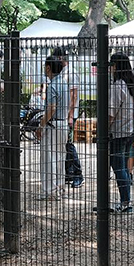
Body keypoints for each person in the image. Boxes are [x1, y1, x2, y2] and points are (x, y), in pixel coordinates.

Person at [108, 53, 134, 213]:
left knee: (118, 167)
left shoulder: (117, 86)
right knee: (124, 167)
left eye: (111, 65)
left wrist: (102, 130)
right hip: (132, 130)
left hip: (119, 132)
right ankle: (126, 201)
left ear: (116, 66)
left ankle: (126, 203)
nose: (109, 69)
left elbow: (111, 114)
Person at [35, 56, 68, 201]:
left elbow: (51, 109)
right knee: (60, 157)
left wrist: (41, 126)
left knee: (49, 158)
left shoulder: (52, 86)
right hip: (63, 124)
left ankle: (49, 191)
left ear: (48, 68)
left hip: (53, 125)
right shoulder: (64, 84)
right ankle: (60, 188)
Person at [51, 47, 84, 188]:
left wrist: (70, 116)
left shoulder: (71, 73)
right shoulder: (62, 73)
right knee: (63, 143)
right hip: (62, 114)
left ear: (60, 58)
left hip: (69, 114)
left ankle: (78, 174)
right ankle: (69, 173)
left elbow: (73, 95)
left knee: (68, 144)